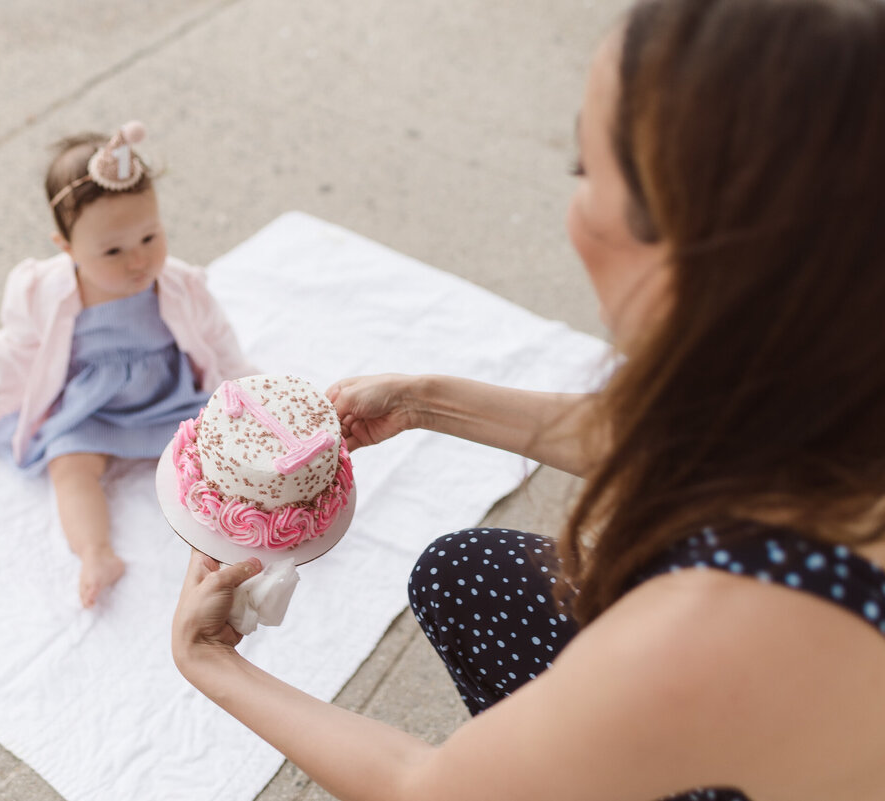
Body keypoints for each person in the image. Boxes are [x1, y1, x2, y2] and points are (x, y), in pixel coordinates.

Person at [171, 0, 885, 798]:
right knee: (463, 573)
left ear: (687, 252)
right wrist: (426, 400)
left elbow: (430, 788)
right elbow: (678, 445)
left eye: (585, 170)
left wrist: (211, 663)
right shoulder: (838, 353)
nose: (572, 209)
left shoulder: (707, 634)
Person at [0, 121, 255, 608]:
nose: (138, 261)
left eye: (149, 236)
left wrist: (239, 387)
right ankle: (96, 552)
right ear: (67, 247)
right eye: (113, 250)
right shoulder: (45, 293)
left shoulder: (177, 283)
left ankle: (240, 532)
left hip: (169, 392)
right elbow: (15, 348)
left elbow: (216, 336)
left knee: (216, 453)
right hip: (92, 404)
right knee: (68, 464)